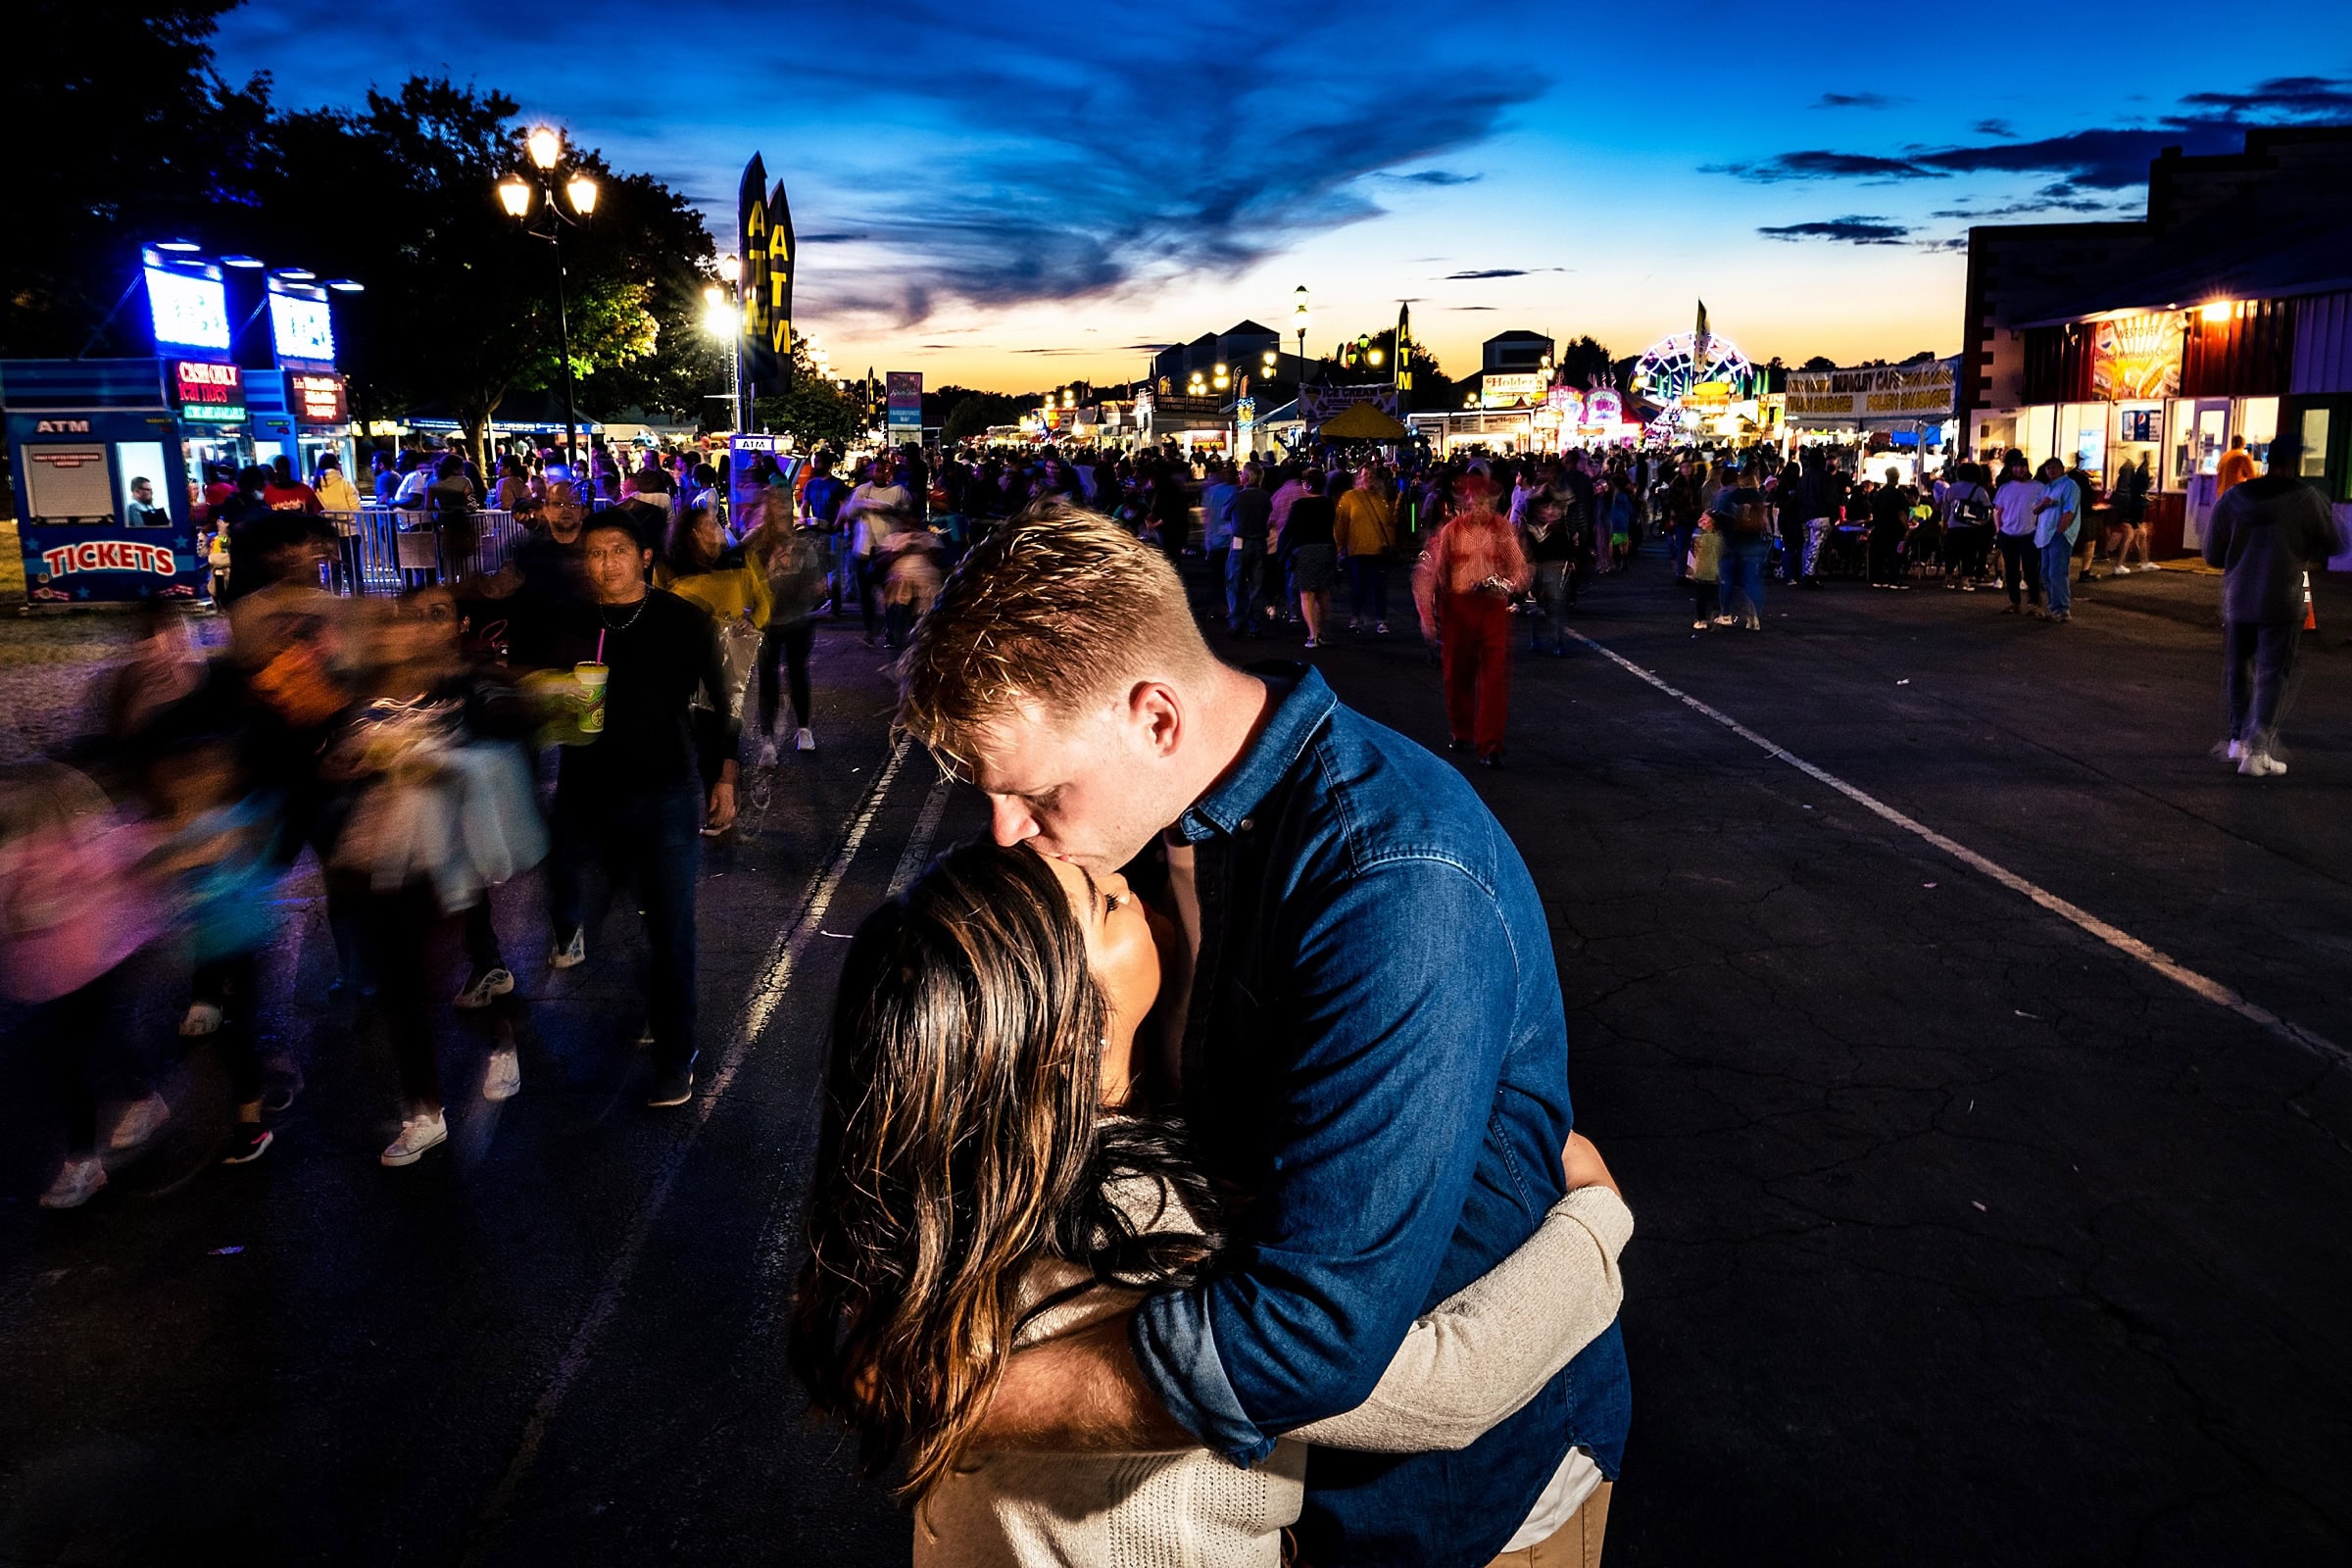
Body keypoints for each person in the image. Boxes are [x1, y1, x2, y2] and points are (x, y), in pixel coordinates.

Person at [889, 501, 1631, 1564]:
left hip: (1454, 1513)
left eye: (1036, 791)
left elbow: (1315, 1334)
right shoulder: (1133, 830)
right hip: (1272, 1501)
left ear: (1155, 717)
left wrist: (963, 1388)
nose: (1004, 833)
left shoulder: (1393, 876)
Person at [794, 838, 1634, 1564]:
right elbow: (1448, 1384)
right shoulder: (1141, 1233)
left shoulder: (955, 1200)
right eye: (1112, 903)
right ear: (1075, 1035)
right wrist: (1598, 1215)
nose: (1137, 893)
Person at [544, 514, 738, 1107]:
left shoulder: (684, 620)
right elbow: (549, 705)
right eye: (595, 554)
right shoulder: (573, 623)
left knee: (671, 925)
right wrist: (558, 702)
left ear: (645, 557)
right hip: (590, 794)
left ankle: (676, 1055)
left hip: (666, 791)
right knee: (621, 915)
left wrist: (725, 776)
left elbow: (723, 701)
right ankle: (653, 1003)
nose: (606, 564)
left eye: (618, 551)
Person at [2203, 435, 2342, 776]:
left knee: (2239, 669)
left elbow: (2211, 553)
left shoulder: (2234, 498)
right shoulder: (2307, 499)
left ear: (2266, 461)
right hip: (2282, 598)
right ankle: (2258, 751)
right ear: (2294, 463)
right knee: (2272, 674)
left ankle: (2237, 741)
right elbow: (2334, 543)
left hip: (2238, 598)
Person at [1416, 476, 1530, 764]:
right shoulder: (1451, 531)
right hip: (1458, 607)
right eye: (1476, 501)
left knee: (1494, 678)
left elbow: (1520, 571)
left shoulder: (1502, 529)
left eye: (1487, 502)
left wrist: (1506, 585)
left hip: (1491, 607)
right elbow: (1427, 574)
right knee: (1457, 675)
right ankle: (1461, 731)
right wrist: (1426, 617)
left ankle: (1491, 744)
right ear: (1466, 502)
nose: (1481, 508)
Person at [840, 454, 911, 645]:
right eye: (875, 470)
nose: (878, 474)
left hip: (888, 551)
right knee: (866, 594)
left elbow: (908, 514)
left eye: (882, 470)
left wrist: (889, 510)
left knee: (891, 594)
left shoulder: (898, 492)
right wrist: (863, 505)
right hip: (863, 550)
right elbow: (849, 512)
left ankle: (891, 630)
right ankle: (870, 629)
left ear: (888, 472)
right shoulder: (862, 491)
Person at [1708, 463, 1773, 628]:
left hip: (1733, 542)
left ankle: (1726, 614)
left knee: (1727, 579)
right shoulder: (1758, 497)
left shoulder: (1730, 496)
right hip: (1754, 542)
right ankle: (1754, 617)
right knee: (1751, 581)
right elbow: (1764, 520)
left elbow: (1721, 518)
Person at [1278, 470, 1338, 649]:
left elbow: (1289, 530)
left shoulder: (1300, 505)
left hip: (1305, 550)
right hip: (1326, 548)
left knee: (1307, 594)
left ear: (1309, 484)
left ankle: (1313, 635)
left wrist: (1282, 551)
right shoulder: (1328, 504)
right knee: (1323, 591)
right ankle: (1322, 630)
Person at [1335, 465, 1396, 635]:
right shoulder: (1349, 497)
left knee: (1378, 587)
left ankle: (1380, 620)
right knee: (1358, 586)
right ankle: (1356, 617)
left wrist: (1390, 543)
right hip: (1356, 550)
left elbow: (1388, 523)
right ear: (1358, 478)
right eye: (1365, 476)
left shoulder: (1379, 498)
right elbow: (1341, 523)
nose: (1368, 479)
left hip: (1377, 549)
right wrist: (1340, 547)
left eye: (1371, 476)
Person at [2031, 457, 2082, 622]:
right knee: (2045, 572)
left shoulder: (2069, 486)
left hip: (2059, 534)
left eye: (2053, 467)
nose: (2050, 471)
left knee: (2057, 572)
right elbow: (2035, 508)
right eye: (2048, 468)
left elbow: (2069, 511)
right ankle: (2054, 608)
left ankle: (2062, 609)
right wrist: (2044, 504)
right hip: (2044, 534)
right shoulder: (2047, 488)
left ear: (2061, 468)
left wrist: (2061, 530)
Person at [1991, 454, 2044, 614]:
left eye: (2022, 466)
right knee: (2011, 570)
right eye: (2016, 466)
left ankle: (2034, 603)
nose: (2019, 469)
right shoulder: (2005, 488)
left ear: (2027, 468)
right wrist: (1999, 530)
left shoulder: (2038, 487)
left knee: (2031, 569)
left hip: (2030, 533)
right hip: (2008, 533)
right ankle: (2015, 602)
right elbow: (1998, 511)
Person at [1226, 464, 1273, 638]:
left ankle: (1236, 621)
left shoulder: (1237, 497)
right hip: (1260, 542)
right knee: (1257, 586)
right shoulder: (1266, 497)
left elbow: (1225, 514)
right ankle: (1255, 625)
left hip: (1240, 543)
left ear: (1246, 477)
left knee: (1235, 583)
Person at [1940, 462, 1993, 590]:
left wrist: (1944, 523)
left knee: (1952, 552)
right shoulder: (1978, 490)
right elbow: (1988, 509)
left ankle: (1948, 578)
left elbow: (1945, 508)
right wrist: (1983, 521)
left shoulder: (1951, 489)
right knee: (1969, 553)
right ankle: (1965, 580)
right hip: (1972, 527)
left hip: (1953, 526)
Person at [1866, 466, 1912, 589]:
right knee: (1895, 554)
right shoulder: (1898, 494)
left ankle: (1879, 579)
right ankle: (1894, 579)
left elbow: (1873, 510)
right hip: (1895, 528)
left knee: (1880, 553)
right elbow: (1901, 513)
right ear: (1897, 478)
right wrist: (1906, 528)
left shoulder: (1880, 494)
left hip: (1881, 527)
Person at [2107, 456, 2155, 572]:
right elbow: (2134, 490)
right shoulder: (2132, 470)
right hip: (2128, 508)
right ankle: (2119, 564)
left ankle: (2142, 562)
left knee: (2139, 533)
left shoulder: (2126, 471)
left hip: (2127, 507)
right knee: (2130, 534)